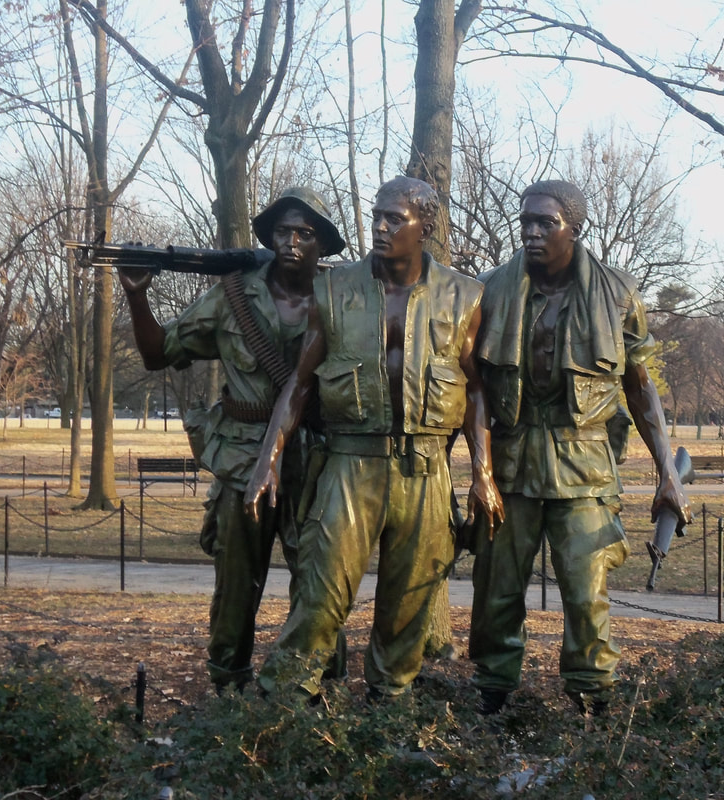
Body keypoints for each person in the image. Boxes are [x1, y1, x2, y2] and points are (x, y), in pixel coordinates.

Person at [245, 176, 504, 703]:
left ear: (425, 227)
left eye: (395, 219)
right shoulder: (335, 288)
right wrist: (267, 459)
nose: (380, 228)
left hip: (427, 469)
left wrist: (482, 474)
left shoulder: (464, 296)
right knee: (320, 596)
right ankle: (281, 709)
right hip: (350, 464)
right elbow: (299, 381)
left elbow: (477, 391)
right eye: (377, 216)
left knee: (408, 607)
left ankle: (389, 714)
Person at [468, 179, 692, 716]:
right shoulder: (490, 290)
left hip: (584, 466)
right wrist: (479, 472)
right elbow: (470, 384)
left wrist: (668, 471)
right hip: (512, 464)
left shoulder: (617, 295)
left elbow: (639, 386)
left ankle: (592, 700)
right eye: (526, 221)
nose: (532, 232)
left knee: (586, 592)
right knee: (497, 590)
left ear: (575, 228)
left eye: (546, 223)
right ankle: (492, 698)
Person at [117, 186, 346, 694]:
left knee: (320, 581)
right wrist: (138, 297)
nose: (291, 241)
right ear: (267, 238)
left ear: (321, 245)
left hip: (316, 458)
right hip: (243, 456)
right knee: (237, 584)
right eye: (282, 231)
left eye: (305, 233)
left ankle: (317, 688)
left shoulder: (341, 299)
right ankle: (228, 687)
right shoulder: (232, 297)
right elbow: (159, 354)